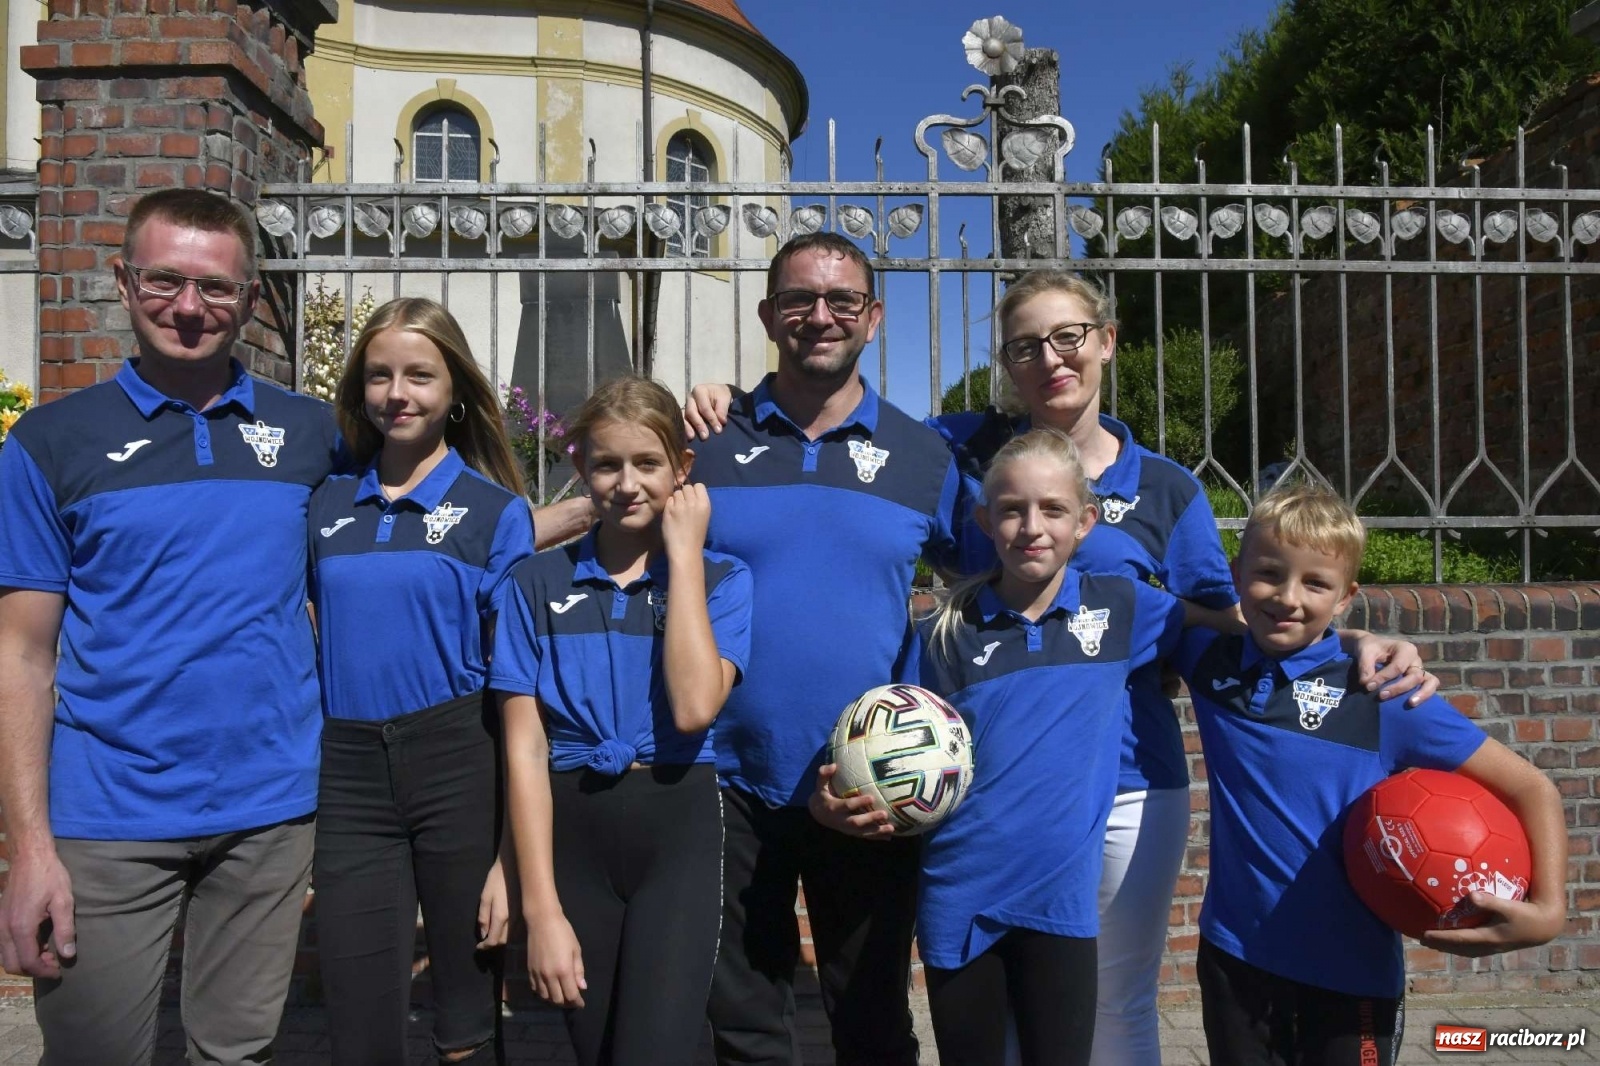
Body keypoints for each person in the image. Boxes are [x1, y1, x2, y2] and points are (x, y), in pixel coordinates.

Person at [683, 268, 1435, 1066]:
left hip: (1128, 782)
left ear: (1106, 341)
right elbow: (834, 413)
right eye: (1025, 345)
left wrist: (1349, 642)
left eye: (1069, 336)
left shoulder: (1165, 488)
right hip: (992, 784)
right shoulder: (959, 449)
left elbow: (1235, 619)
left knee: (1113, 1006)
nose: (1051, 358)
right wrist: (726, 400)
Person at [0, 188, 342, 1064]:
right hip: (107, 817)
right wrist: (28, 850)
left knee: (235, 1055)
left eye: (216, 288)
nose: (188, 307)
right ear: (122, 279)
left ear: (252, 298)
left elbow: (418, 520)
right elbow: (22, 655)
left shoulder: (311, 433)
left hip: (267, 811)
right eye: (164, 280)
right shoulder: (49, 444)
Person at [1170, 482, 1566, 1064]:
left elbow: (1533, 786)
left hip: (1350, 973)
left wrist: (1549, 910)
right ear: (1235, 573)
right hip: (1235, 958)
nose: (1287, 597)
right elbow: (1144, 605)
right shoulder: (1207, 658)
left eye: (1315, 583)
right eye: (1268, 573)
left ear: (1346, 596)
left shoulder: (1385, 694)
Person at [689, 232, 962, 1066]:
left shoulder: (923, 456)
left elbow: (1015, 569)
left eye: (843, 301)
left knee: (873, 1020)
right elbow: (613, 529)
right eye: (800, 300)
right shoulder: (703, 435)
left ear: (873, 319)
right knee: (741, 1021)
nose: (821, 316)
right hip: (722, 773)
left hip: (867, 781)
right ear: (769, 315)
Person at [905, 427, 1241, 1066]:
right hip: (959, 898)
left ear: (1086, 520)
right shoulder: (942, 636)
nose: (1032, 526)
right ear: (984, 520)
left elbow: (1231, 622)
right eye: (1011, 509)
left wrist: (1356, 645)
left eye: (1053, 509)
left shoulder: (1123, 608)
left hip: (1061, 907)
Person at [491, 375, 752, 1066]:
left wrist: (686, 560)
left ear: (682, 470)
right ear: (580, 467)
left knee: (654, 1050)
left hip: (678, 828)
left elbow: (696, 707)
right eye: (607, 463)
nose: (628, 483)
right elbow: (523, 747)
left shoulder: (724, 581)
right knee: (597, 1047)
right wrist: (540, 908)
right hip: (574, 835)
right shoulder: (533, 585)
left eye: (648, 464)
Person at [309, 297, 542, 1064]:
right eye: (379, 376)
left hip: (456, 762)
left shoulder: (494, 513)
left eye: (419, 375)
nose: (397, 393)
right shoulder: (327, 504)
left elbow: (517, 690)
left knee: (466, 1010)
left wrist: (510, 856)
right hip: (347, 770)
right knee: (356, 1003)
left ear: (457, 392)